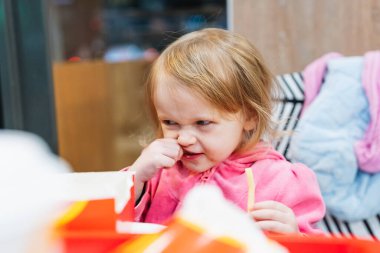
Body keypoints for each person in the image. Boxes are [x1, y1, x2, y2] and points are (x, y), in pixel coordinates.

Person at [125, 28, 325, 234]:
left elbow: (319, 246)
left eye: (202, 122)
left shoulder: (282, 181)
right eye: (170, 122)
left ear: (249, 117)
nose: (184, 138)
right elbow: (111, 223)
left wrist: (294, 238)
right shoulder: (158, 173)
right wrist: (135, 177)